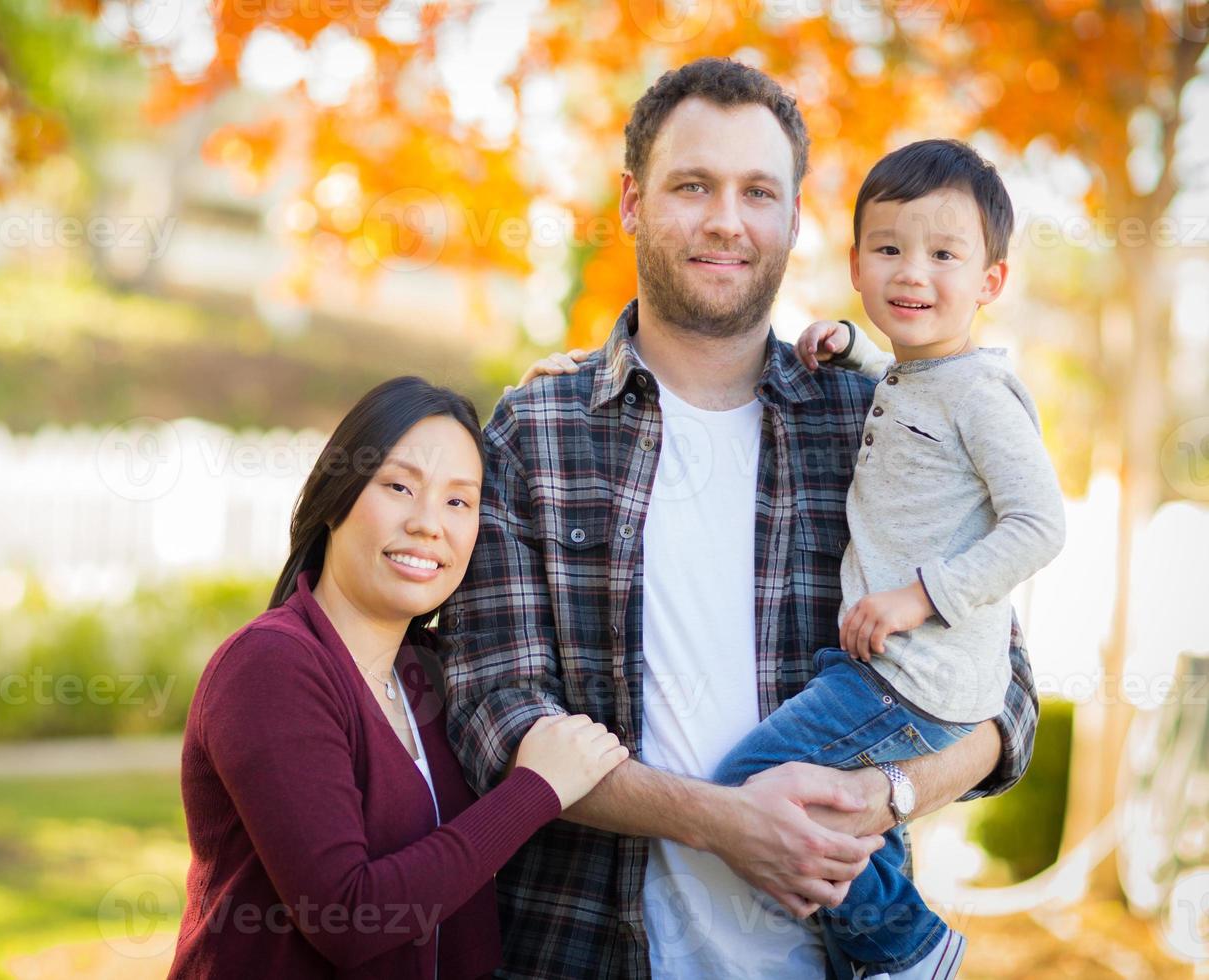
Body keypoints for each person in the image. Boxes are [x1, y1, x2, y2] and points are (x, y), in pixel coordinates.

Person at [439, 58, 1043, 980]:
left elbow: (1004, 694)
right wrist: (728, 820)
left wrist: (886, 794)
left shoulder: (871, 417)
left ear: (794, 220)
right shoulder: (541, 431)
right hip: (586, 950)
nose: (727, 219)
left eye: (758, 191)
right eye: (693, 186)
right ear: (635, 203)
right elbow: (495, 711)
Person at [169, 376, 628, 979]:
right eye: (399, 486)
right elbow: (348, 916)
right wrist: (535, 790)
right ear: (336, 497)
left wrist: (576, 383)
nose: (427, 524)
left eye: (458, 501)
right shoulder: (271, 667)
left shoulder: (437, 674)